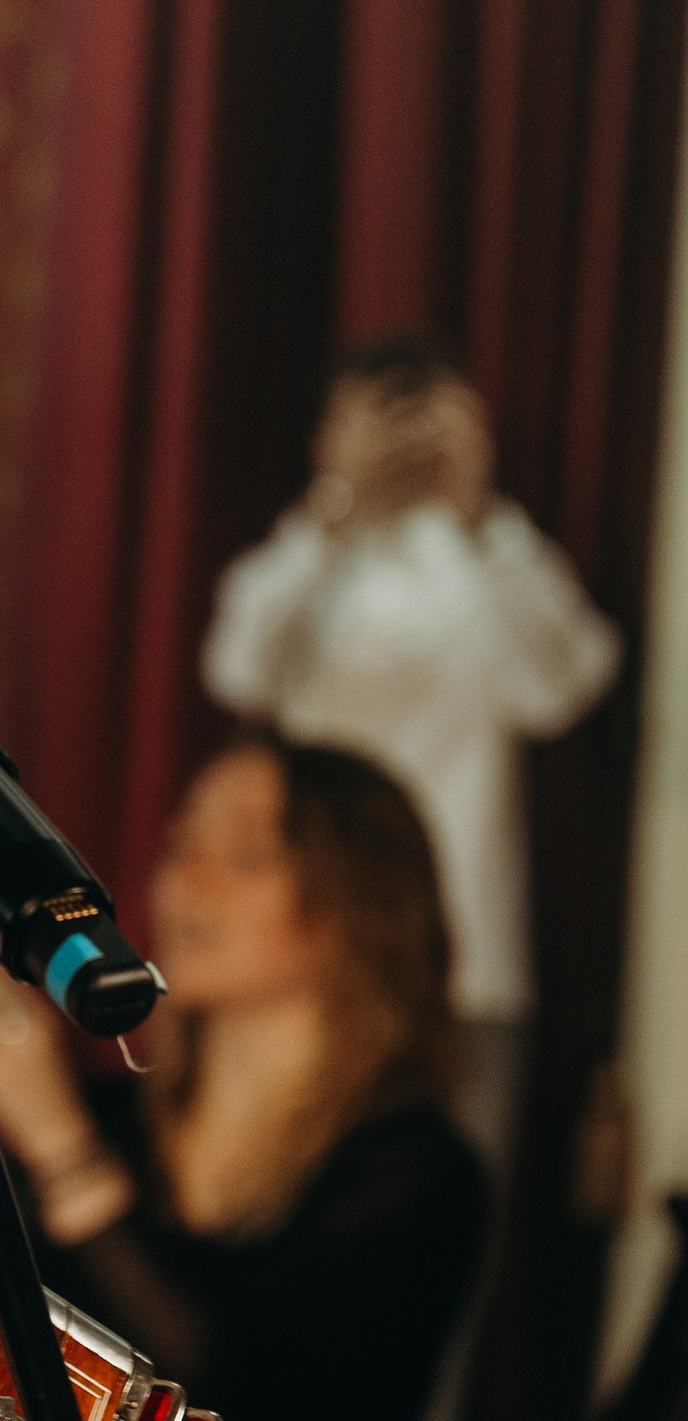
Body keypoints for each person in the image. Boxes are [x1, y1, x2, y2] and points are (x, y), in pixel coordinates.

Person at [0, 733, 487, 1421]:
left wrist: (62, 1150)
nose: (188, 880)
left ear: (357, 905)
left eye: (245, 854)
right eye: (183, 847)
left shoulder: (417, 1175)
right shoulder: (104, 1115)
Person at [200, 333, 619, 1162]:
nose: (406, 441)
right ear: (328, 435)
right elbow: (239, 668)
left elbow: (567, 684)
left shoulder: (490, 556)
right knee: (299, 1176)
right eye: (381, 420)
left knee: (456, 1193)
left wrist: (478, 514)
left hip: (469, 951)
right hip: (317, 934)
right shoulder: (306, 556)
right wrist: (337, 514)